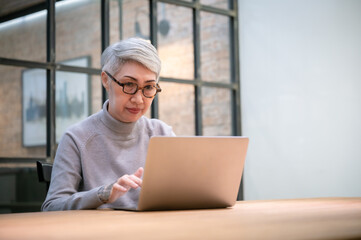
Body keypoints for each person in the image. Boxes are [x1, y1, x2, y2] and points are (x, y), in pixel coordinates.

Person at [42, 38, 175, 211]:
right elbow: (52, 206)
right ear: (106, 80)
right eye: (129, 84)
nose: (138, 99)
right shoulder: (77, 138)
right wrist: (102, 194)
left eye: (148, 87)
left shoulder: (162, 133)